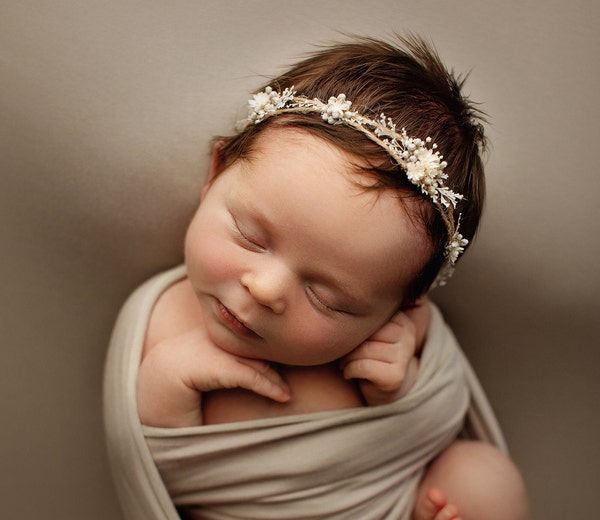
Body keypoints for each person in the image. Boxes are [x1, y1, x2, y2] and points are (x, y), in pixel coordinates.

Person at [116, 35, 528, 520]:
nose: (265, 290)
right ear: (217, 170)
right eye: (250, 236)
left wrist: (400, 387)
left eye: (329, 298)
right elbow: (158, 470)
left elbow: (443, 410)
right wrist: (166, 384)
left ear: (401, 306)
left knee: (483, 478)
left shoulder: (397, 330)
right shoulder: (164, 317)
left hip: (391, 502)